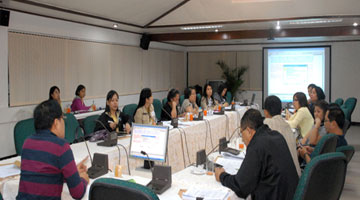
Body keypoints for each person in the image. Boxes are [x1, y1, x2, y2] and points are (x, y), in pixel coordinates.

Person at [215, 109, 299, 199]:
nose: (242, 139)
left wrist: (222, 176)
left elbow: (241, 187)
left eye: (241, 133)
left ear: (249, 131)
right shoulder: (277, 135)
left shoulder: (257, 145)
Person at [17, 100, 89, 199]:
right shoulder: (61, 146)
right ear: (56, 122)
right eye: (62, 118)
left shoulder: (27, 142)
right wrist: (83, 179)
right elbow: (77, 193)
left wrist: (72, 173)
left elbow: (44, 175)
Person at [263, 95, 301, 177]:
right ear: (281, 111)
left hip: (281, 182)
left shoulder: (266, 125)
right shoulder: (288, 127)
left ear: (265, 112)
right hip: (296, 179)